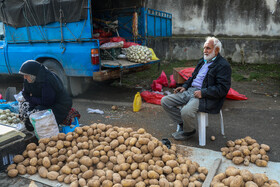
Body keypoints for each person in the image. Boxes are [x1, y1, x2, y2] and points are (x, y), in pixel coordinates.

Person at [161, 36, 231, 140]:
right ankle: (183, 124)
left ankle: (189, 131)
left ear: (216, 50)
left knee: (186, 111)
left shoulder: (223, 65)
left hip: (206, 96)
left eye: (208, 48)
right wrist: (184, 86)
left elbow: (222, 89)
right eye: (204, 48)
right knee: (165, 101)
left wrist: (203, 92)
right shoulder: (203, 61)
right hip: (191, 90)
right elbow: (192, 77)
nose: (205, 51)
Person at [18, 60, 73, 131]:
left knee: (38, 114)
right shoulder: (29, 79)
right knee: (24, 108)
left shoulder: (47, 80)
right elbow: (25, 93)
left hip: (58, 105)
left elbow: (47, 102)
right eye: (24, 75)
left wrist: (31, 99)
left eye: (26, 75)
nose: (24, 77)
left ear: (32, 74)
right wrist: (31, 102)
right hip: (41, 101)